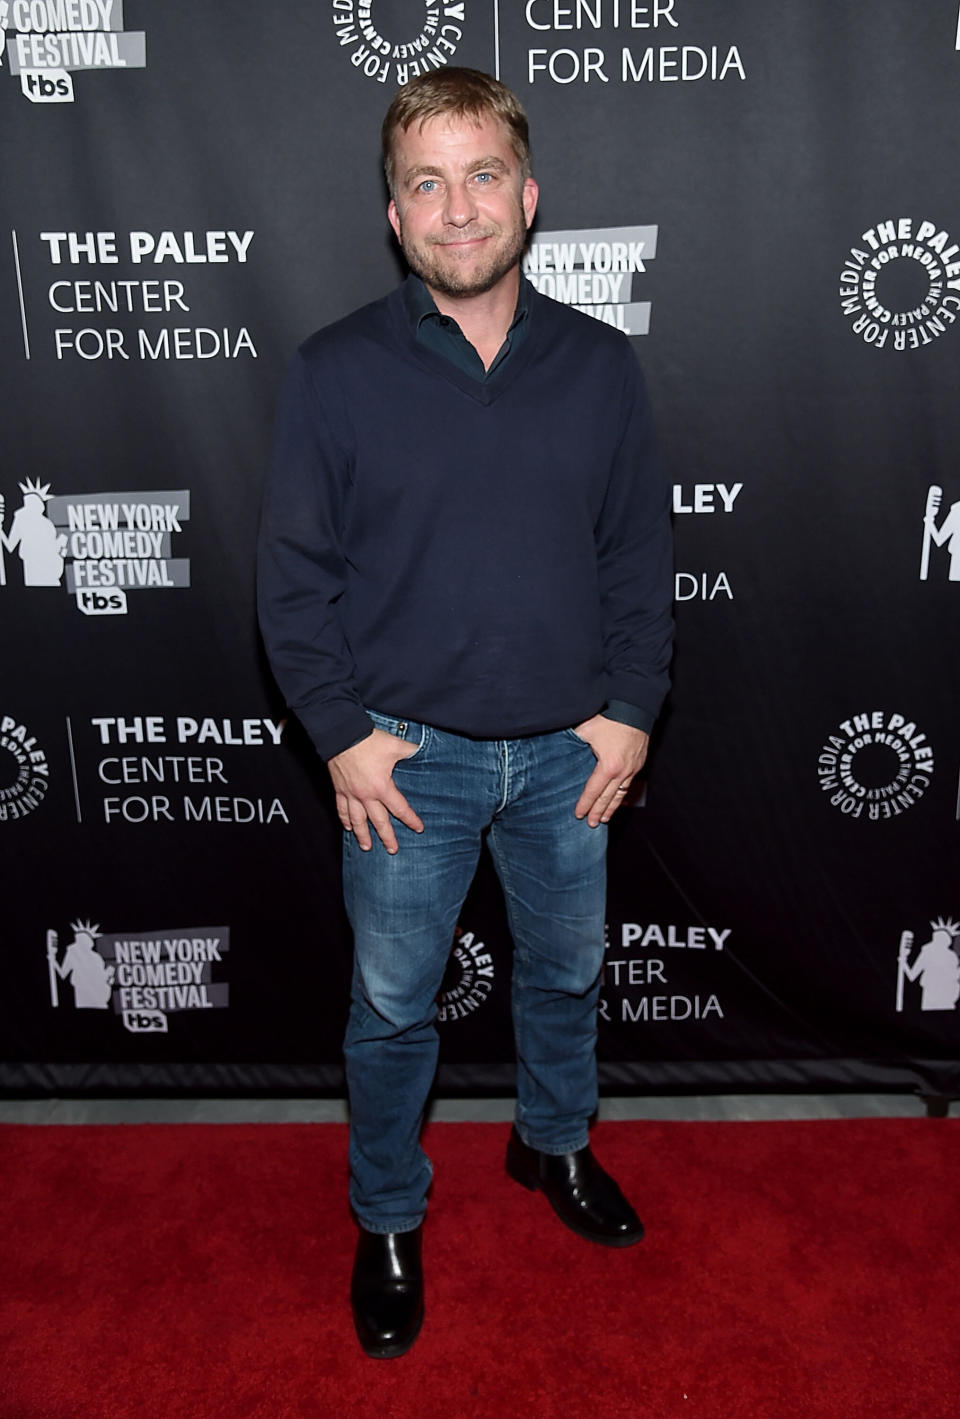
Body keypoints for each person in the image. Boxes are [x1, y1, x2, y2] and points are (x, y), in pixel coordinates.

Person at [257, 67, 674, 1359]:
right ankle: (387, 1215)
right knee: (390, 1011)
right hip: (406, 764)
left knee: (563, 977)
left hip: (570, 757)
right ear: (395, 216)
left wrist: (630, 712)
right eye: (426, 183)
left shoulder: (601, 367)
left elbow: (637, 561)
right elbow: (292, 580)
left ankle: (553, 1149)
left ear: (528, 196)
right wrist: (341, 735)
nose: (457, 206)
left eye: (481, 174)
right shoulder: (334, 372)